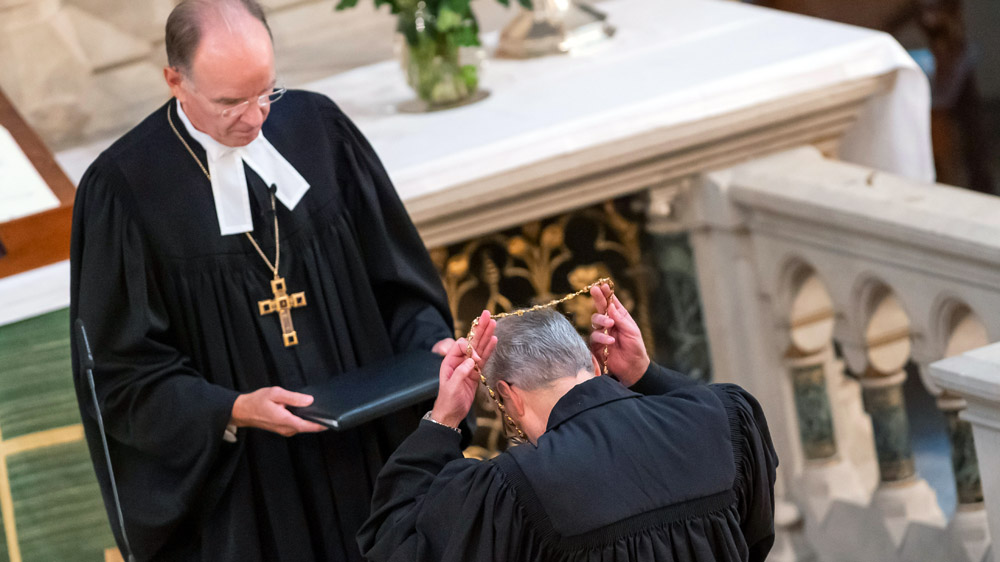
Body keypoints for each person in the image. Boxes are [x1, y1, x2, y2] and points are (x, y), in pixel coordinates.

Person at [69, 1, 455, 560]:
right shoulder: (125, 189)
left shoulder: (319, 130)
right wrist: (229, 409)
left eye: (267, 92)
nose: (255, 118)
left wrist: (428, 344)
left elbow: (399, 281)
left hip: (373, 459)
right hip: (253, 491)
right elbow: (123, 374)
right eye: (230, 102)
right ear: (175, 81)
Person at [358, 285, 778, 561]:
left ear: (509, 396)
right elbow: (753, 534)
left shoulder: (511, 489)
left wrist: (443, 420)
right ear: (595, 364)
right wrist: (645, 374)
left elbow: (395, 545)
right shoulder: (720, 418)